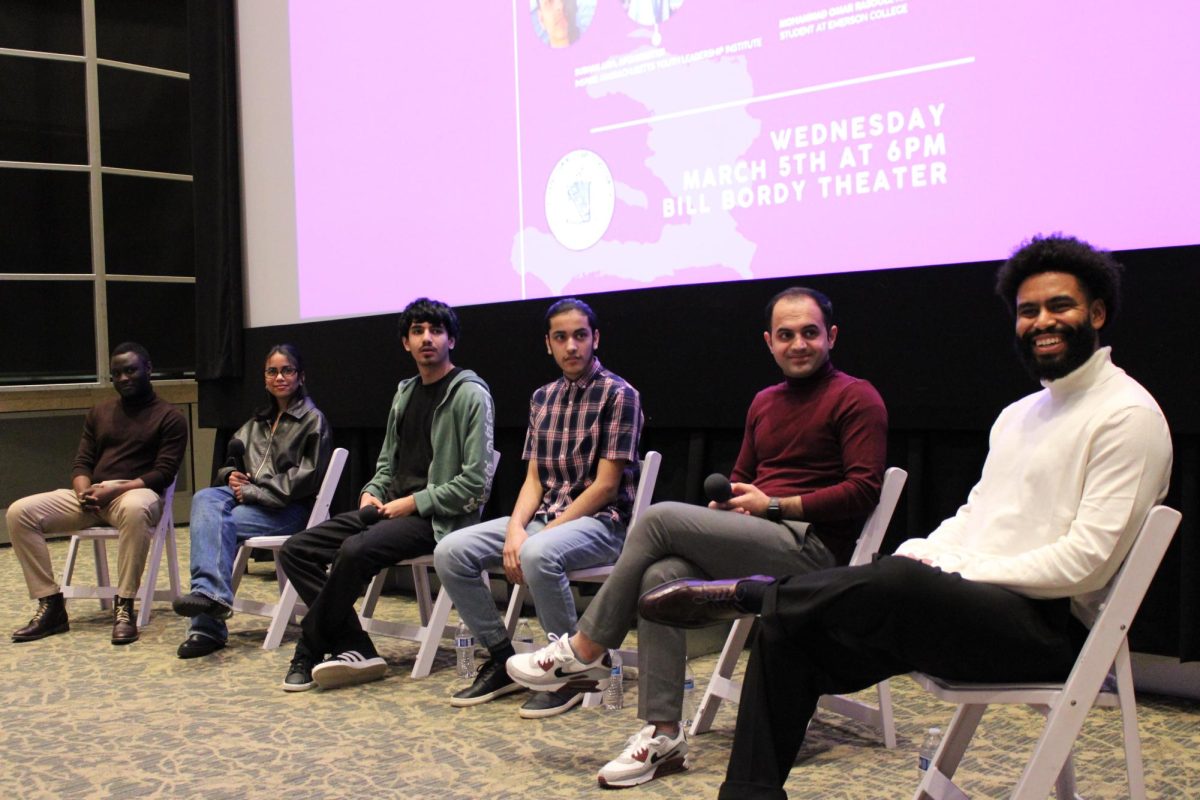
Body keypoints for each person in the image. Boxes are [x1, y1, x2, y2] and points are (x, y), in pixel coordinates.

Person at [639, 235, 1174, 800]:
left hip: (1053, 633)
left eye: (1059, 306)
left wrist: (948, 575)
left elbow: (1085, 566)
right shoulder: (1019, 415)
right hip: (969, 613)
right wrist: (929, 555)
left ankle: (755, 593)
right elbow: (973, 517)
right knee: (788, 632)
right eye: (1028, 311)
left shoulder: (1128, 416)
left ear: (1096, 313)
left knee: (899, 578)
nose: (1043, 321)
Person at [506, 287, 888, 787]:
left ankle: (585, 649)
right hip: (758, 537)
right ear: (769, 342)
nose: (798, 344)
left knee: (659, 518)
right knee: (662, 580)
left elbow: (863, 490)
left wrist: (773, 505)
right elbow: (743, 475)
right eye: (787, 335)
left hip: (813, 553)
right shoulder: (764, 402)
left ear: (831, 336)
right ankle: (664, 735)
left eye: (810, 333)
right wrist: (728, 504)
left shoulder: (856, 396)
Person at [435, 297, 643, 719]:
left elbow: (605, 487)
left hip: (603, 524)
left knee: (536, 552)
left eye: (580, 336)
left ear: (595, 338)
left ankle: (569, 670)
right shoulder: (542, 398)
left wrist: (537, 537)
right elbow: (534, 480)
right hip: (550, 518)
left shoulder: (619, 395)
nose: (571, 347)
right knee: (451, 552)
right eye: (561, 338)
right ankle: (500, 657)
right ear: (548, 344)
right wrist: (516, 528)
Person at [276, 298, 494, 692]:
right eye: (417, 331)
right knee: (295, 549)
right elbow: (385, 467)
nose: (427, 339)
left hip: (436, 519)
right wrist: (369, 494)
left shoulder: (470, 394)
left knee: (354, 552)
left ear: (451, 340)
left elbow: (475, 485)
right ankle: (355, 643)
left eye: (436, 330)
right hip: (389, 510)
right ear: (405, 343)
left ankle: (308, 648)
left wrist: (415, 502)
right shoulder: (405, 393)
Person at [8, 342, 189, 645]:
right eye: (116, 373)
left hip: (137, 492)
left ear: (148, 369)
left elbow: (163, 474)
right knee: (20, 512)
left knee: (134, 509)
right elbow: (82, 463)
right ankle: (51, 604)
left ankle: (125, 605)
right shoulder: (100, 412)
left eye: (130, 370)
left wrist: (117, 489)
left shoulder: (170, 417)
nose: (123, 378)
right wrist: (84, 493)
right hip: (92, 496)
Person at [172, 344, 332, 658]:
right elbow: (233, 457)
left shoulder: (313, 420)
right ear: (265, 378)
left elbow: (306, 480)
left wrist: (253, 492)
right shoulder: (258, 420)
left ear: (300, 376)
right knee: (206, 499)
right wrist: (230, 474)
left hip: (289, 511)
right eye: (272, 371)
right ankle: (211, 597)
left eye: (287, 370)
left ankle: (207, 626)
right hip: (250, 502)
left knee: (216, 525)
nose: (279, 377)